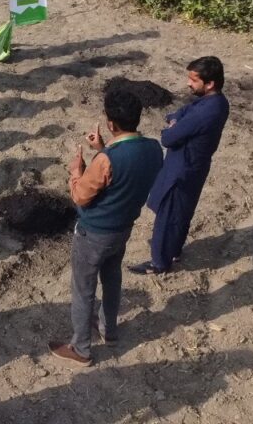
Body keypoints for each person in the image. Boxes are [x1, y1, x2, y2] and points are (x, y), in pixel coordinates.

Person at [49, 89, 164, 366]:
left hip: (93, 233)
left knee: (83, 288)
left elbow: (80, 196)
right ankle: (109, 330)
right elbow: (126, 174)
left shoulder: (107, 160)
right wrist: (104, 148)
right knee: (112, 279)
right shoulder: (153, 149)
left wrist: (77, 170)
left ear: (111, 124)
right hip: (123, 229)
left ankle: (81, 349)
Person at [130, 57, 230, 275]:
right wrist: (175, 118)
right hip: (194, 166)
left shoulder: (206, 112)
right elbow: (183, 112)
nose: (188, 84)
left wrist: (171, 128)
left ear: (210, 83)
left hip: (182, 169)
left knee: (169, 213)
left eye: (193, 80)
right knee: (182, 212)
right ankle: (173, 250)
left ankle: (159, 262)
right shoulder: (217, 102)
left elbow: (168, 138)